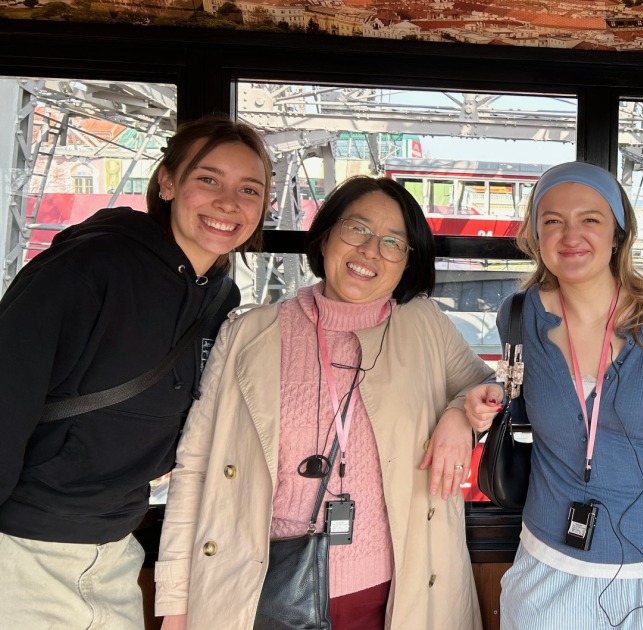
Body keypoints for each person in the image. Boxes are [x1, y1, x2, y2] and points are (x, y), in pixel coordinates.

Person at [154, 176, 493, 629]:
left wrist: (458, 416)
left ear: (408, 260)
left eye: (393, 242)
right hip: (264, 594)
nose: (371, 250)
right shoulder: (248, 334)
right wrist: (175, 606)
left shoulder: (425, 324)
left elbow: (490, 391)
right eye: (358, 229)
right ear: (327, 233)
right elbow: (195, 470)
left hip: (398, 596)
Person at [0, 114, 270, 628]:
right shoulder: (88, 267)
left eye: (249, 190)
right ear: (167, 183)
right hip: (25, 547)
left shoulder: (220, 298)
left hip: (118, 549)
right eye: (208, 179)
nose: (228, 203)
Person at [464, 161, 643, 629]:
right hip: (546, 573)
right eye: (553, 220)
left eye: (590, 218)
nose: (571, 235)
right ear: (536, 234)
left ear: (617, 232)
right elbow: (520, 400)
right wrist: (478, 401)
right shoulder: (518, 315)